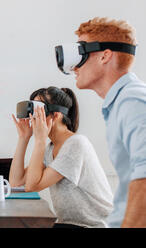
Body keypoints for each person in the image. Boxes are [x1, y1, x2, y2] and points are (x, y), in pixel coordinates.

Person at [72, 17, 146, 227]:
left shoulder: (133, 101)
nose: (74, 67)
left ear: (105, 56)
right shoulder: (120, 103)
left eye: (81, 55)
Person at [9, 86, 113, 228]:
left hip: (93, 225)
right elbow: (17, 183)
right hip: (70, 224)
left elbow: (32, 187)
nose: (33, 117)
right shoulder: (50, 148)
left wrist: (40, 140)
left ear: (56, 115)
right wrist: (23, 138)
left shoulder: (76, 144)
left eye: (38, 112)